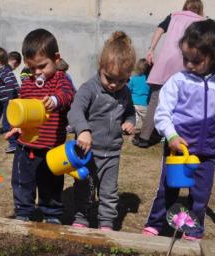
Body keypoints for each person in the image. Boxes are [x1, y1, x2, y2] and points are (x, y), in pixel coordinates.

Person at [143, 20, 215, 240]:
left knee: (201, 195)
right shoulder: (178, 81)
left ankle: (193, 228)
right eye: (185, 58)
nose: (189, 64)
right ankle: (155, 223)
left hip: (206, 152)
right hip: (178, 149)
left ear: (213, 57)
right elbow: (163, 112)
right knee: (168, 189)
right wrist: (172, 136)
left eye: (196, 60)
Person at [67, 31, 136, 231]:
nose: (114, 85)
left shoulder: (125, 92)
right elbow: (75, 110)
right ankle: (81, 218)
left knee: (109, 191)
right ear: (101, 66)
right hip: (86, 153)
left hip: (112, 153)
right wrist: (83, 130)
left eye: (121, 80)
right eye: (110, 78)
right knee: (84, 188)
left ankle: (106, 222)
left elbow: (130, 113)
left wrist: (130, 122)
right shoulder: (90, 88)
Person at [5, 28, 75, 224]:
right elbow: (22, 109)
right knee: (21, 181)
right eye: (32, 67)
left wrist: (55, 99)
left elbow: (69, 95)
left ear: (56, 58)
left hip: (51, 148)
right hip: (26, 146)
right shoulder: (28, 83)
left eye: (42, 66)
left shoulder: (61, 79)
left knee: (51, 183)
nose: (37, 72)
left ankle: (51, 213)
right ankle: (23, 211)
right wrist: (17, 125)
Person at [133, 0, 204, 148]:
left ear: (185, 6)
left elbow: (159, 29)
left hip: (166, 62)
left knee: (154, 100)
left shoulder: (173, 16)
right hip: (186, 63)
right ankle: (177, 136)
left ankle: (144, 137)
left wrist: (151, 49)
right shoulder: (202, 22)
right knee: (183, 102)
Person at [0, 47, 20, 153]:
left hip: (9, 101)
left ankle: (13, 144)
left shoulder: (3, 72)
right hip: (12, 100)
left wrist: (9, 99)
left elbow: (10, 84)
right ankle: (18, 141)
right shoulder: (6, 70)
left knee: (7, 124)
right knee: (14, 123)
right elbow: (9, 84)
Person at [127, 58, 151, 133]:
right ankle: (143, 132)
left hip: (134, 103)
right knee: (146, 121)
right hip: (144, 104)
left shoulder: (133, 79)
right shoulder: (149, 80)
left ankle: (134, 131)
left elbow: (128, 89)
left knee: (136, 120)